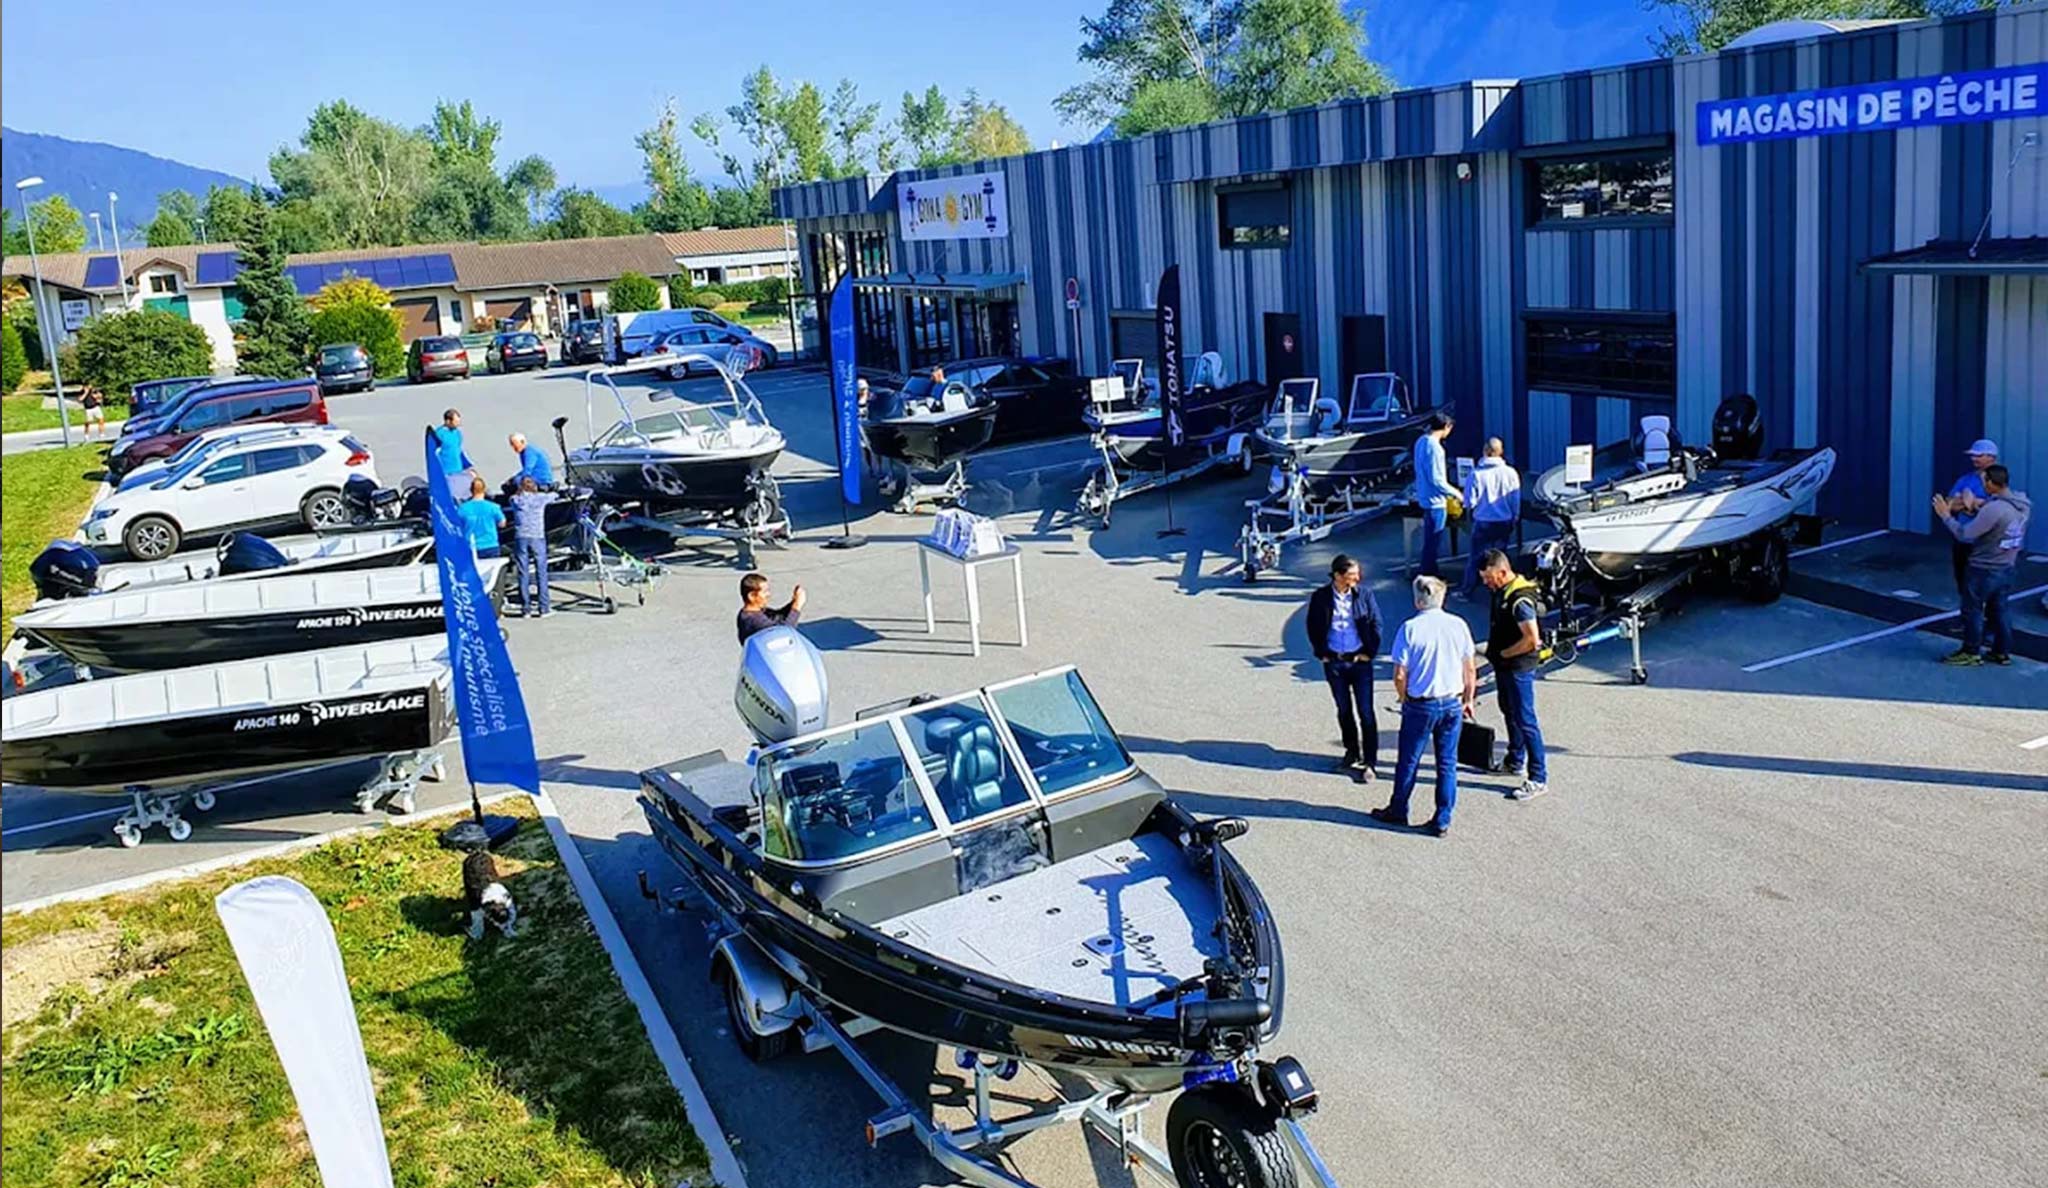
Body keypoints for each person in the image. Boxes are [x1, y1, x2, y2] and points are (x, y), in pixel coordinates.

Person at [1371, 576, 1477, 838]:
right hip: (1452, 702)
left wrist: (1403, 696)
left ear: (1419, 600)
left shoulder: (1410, 628)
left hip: (1421, 704)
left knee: (1409, 760)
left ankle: (1399, 809)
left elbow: (1399, 673)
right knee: (1447, 763)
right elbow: (1470, 669)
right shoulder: (1458, 625)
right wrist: (1468, 699)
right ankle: (1442, 818)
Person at [1932, 464, 2030, 666]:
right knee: (2000, 610)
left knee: (1972, 610)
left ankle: (1971, 651)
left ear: (1992, 484)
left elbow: (1964, 533)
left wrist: (1945, 516)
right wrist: (1976, 505)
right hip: (2007, 565)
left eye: (1984, 481)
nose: (1982, 484)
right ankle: (2001, 652)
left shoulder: (1994, 509)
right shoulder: (2023, 503)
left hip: (1983, 567)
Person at [1306, 554, 1384, 781]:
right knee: (1344, 709)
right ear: (1338, 576)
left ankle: (1370, 761)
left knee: (1366, 712)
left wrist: (1369, 653)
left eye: (1357, 574)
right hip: (1335, 663)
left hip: (1359, 662)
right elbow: (1312, 625)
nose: (1357, 578)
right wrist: (1321, 653)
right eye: (1351, 575)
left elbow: (1376, 623)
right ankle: (1352, 752)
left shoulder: (1365, 595)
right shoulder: (1321, 597)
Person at [1479, 549, 1548, 799]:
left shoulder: (1520, 602)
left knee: (1525, 719)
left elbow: (1531, 640)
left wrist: (1506, 654)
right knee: (1509, 711)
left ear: (1503, 572)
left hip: (1518, 667)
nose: (1486, 583)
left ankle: (1538, 777)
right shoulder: (1503, 591)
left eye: (1489, 578)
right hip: (1505, 665)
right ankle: (1515, 759)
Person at [1459, 437, 1521, 599]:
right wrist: (1515, 516)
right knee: (1501, 558)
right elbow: (1515, 498)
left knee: (1476, 557)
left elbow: (1470, 501)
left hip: (1484, 521)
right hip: (1504, 521)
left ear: (1485, 451)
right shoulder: (1510, 473)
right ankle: (1503, 590)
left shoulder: (1476, 474)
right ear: (1500, 452)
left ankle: (1467, 590)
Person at [1943, 440, 1999, 600]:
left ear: (1991, 457)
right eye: (1972, 456)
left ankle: (1986, 618)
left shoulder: (1998, 480)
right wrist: (1970, 504)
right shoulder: (1965, 479)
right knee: (1963, 579)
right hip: (1963, 537)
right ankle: (1968, 619)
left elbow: (1995, 507)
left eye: (1978, 456)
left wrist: (1972, 503)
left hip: (1985, 541)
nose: (1974, 459)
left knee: (1983, 583)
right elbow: (1949, 504)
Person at [1412, 413, 1459, 578]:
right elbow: (1438, 480)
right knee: (1434, 540)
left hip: (1424, 497)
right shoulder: (1436, 448)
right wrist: (1457, 494)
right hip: (1436, 501)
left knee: (1429, 540)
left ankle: (1426, 571)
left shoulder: (1421, 442)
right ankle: (1428, 574)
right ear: (1446, 427)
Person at [507, 476, 555, 617]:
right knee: (541, 572)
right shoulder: (540, 498)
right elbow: (554, 495)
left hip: (521, 536)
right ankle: (543, 608)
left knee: (523, 572)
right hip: (537, 536)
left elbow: (513, 496)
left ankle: (525, 609)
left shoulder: (515, 500)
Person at [736, 572, 806, 644]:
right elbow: (784, 633)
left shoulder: (757, 612)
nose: (768, 594)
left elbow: (778, 617)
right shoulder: (751, 620)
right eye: (765, 592)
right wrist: (796, 606)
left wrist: (794, 602)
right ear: (752, 596)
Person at [457, 475, 506, 560]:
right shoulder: (493, 507)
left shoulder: (463, 508)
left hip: (470, 546)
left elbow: (457, 525)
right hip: (490, 545)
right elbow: (502, 523)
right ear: (484, 489)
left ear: (471, 490)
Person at [433, 409, 470, 500]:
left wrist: (468, 466)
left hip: (458, 470)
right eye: (456, 422)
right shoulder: (439, 434)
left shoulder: (457, 433)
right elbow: (435, 453)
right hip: (446, 472)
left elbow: (459, 450)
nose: (458, 424)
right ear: (448, 421)